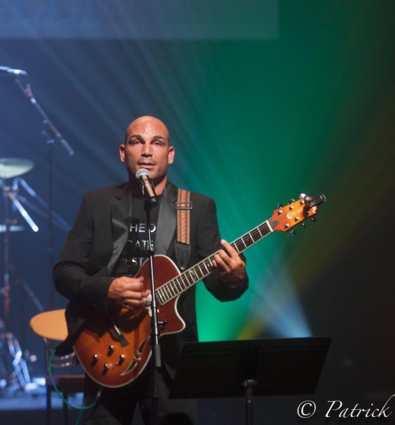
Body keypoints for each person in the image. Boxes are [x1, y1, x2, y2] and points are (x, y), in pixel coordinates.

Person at [53, 115, 249, 425]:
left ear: (169, 154)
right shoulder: (97, 203)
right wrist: (107, 289)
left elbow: (218, 285)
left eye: (156, 143)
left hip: (171, 363)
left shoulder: (196, 208)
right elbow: (63, 272)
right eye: (137, 142)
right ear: (123, 152)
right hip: (108, 349)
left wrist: (235, 278)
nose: (146, 151)